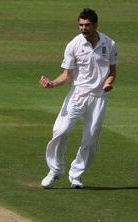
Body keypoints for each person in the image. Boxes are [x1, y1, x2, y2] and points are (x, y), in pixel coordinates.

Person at [39, 8, 117, 189]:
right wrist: (51, 83)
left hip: (98, 97)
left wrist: (108, 83)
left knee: (90, 140)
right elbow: (67, 75)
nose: (83, 28)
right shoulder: (73, 45)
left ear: (95, 25)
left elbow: (112, 72)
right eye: (81, 25)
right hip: (78, 94)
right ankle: (55, 169)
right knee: (61, 131)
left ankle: (76, 175)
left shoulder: (109, 44)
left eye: (87, 25)